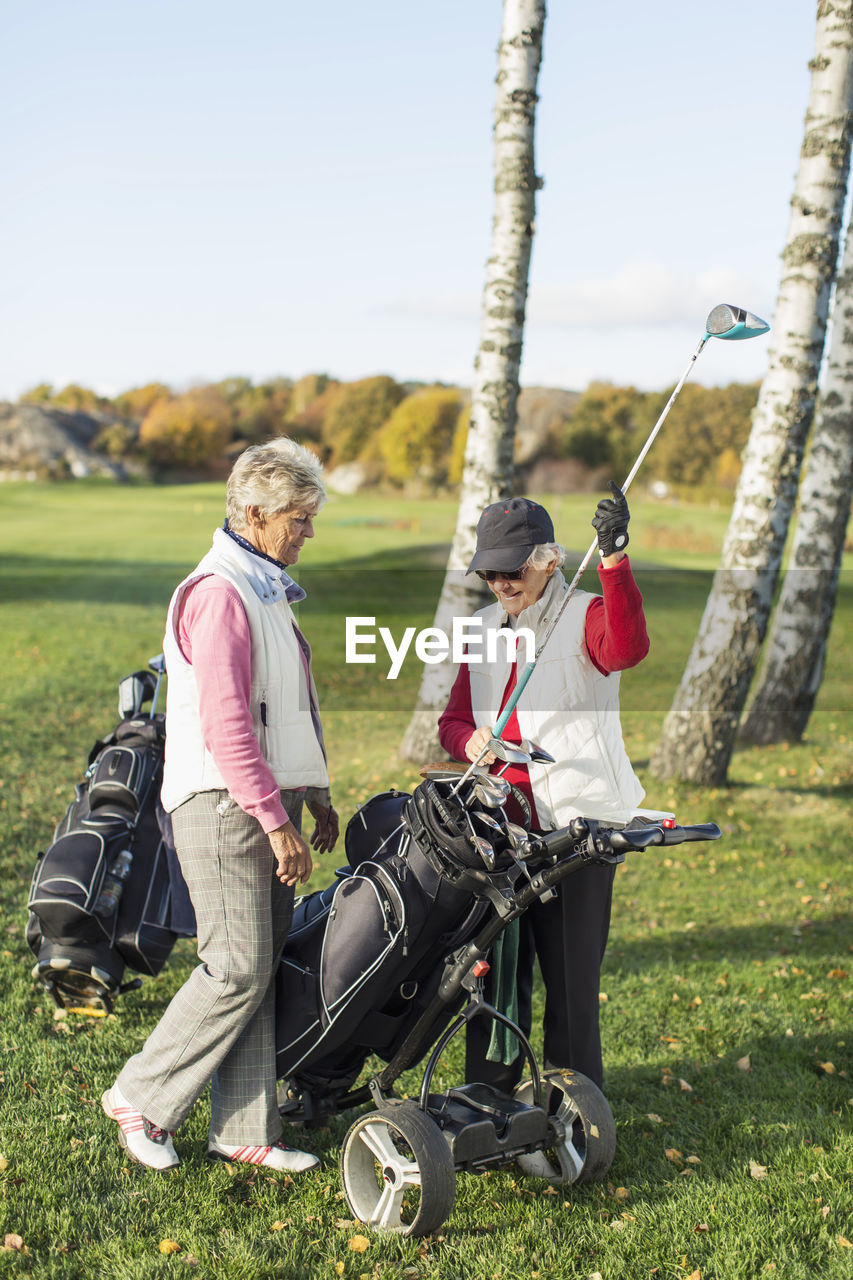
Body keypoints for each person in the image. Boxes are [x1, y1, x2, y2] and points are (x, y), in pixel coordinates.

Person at [102, 437, 339, 1172]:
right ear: (254, 513)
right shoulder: (218, 594)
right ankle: (140, 1094)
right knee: (234, 966)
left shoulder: (261, 586)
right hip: (225, 807)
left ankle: (242, 1129)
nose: (307, 531)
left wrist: (315, 794)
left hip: (266, 802)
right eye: (298, 518)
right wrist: (274, 819)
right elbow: (226, 722)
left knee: (258, 967)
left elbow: (288, 704)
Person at [438, 490, 648, 1091]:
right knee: (496, 976)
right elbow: (452, 720)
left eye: (514, 570)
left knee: (571, 983)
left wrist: (614, 560)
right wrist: (469, 742)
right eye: (490, 572)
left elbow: (628, 647)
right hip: (499, 831)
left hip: (575, 832)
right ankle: (490, 1099)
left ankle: (571, 1111)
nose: (501, 583)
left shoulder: (585, 616)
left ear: (550, 562)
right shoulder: (481, 629)